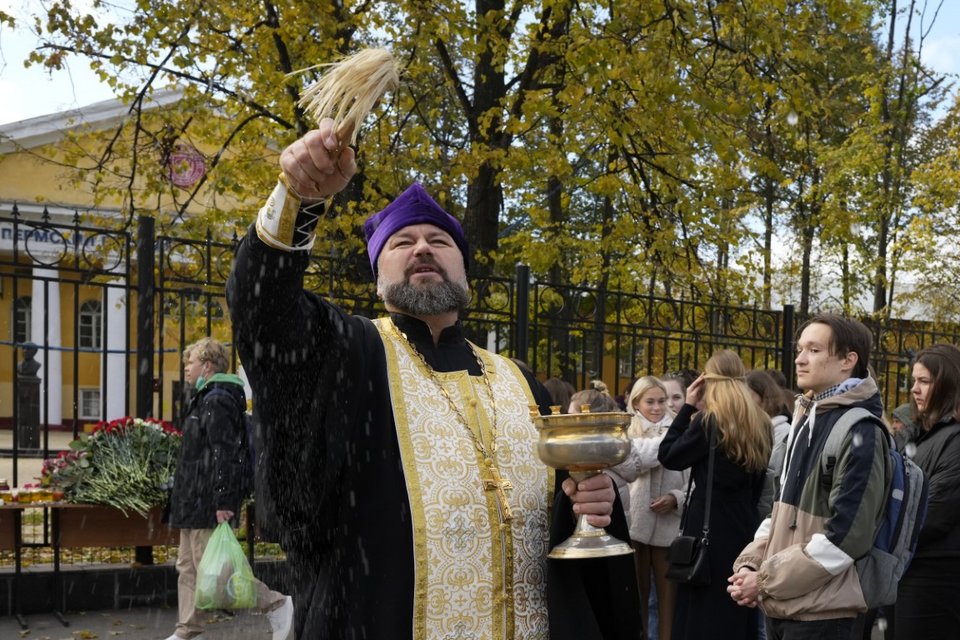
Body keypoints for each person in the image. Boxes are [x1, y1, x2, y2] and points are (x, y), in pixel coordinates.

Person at [226, 118, 641, 640]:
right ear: (379, 279)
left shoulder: (520, 382)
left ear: (464, 273)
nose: (422, 248)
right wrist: (298, 198)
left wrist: (593, 498)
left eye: (438, 240)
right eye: (402, 242)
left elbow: (565, 511)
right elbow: (260, 308)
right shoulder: (346, 352)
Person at [728, 314, 892, 640]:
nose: (800, 359)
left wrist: (763, 580)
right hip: (784, 604)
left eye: (814, 350)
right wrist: (750, 563)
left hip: (824, 614)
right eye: (800, 349)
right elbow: (779, 512)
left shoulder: (861, 431)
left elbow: (846, 539)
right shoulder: (806, 417)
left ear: (848, 360)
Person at [165, 337, 292, 640]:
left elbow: (225, 452)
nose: (186, 369)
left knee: (219, 576)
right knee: (188, 568)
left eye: (190, 362)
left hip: (206, 501)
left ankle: (277, 604)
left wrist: (224, 499)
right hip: (191, 500)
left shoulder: (217, 400)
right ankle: (187, 630)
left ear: (206, 366)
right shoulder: (205, 398)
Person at [658, 350, 771, 640]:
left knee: (701, 611)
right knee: (734, 603)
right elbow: (759, 482)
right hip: (743, 524)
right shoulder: (761, 422)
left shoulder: (708, 422)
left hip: (706, 528)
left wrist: (686, 407)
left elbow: (669, 456)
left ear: (708, 381)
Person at [894, 344, 960, 639]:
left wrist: (884, 529)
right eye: (914, 381)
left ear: (947, 385)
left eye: (924, 382)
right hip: (907, 566)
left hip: (936, 575)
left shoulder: (955, 439)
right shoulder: (917, 434)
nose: (915, 390)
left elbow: (932, 513)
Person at [616, 376, 685, 640]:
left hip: (669, 528)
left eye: (661, 401)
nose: (657, 408)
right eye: (650, 402)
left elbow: (693, 483)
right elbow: (634, 460)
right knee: (636, 597)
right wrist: (670, 444)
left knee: (668, 602)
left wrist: (675, 497)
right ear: (636, 403)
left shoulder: (680, 430)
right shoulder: (625, 431)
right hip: (635, 527)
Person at [745, 370, 792, 519]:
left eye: (748, 396)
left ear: (764, 397)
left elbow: (771, 484)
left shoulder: (782, 433)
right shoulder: (746, 430)